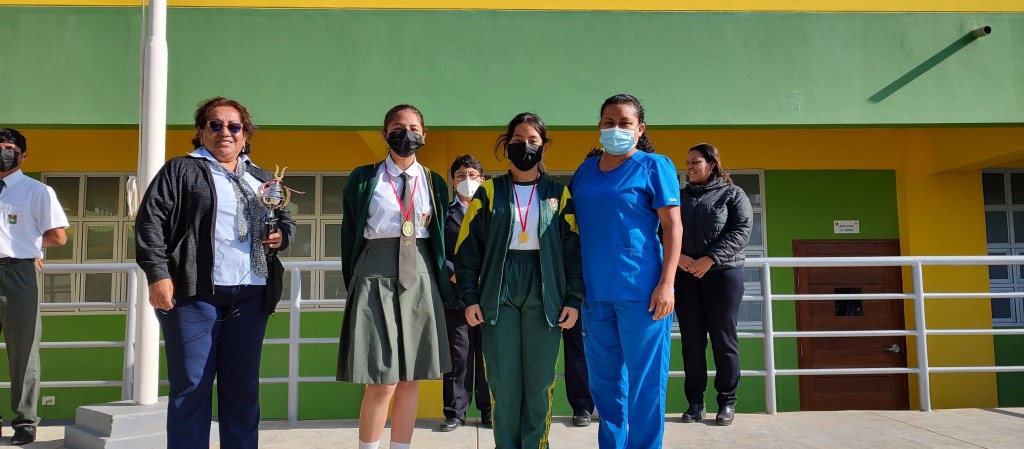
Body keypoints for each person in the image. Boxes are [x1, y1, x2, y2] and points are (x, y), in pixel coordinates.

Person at [135, 97, 295, 449]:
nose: (225, 132)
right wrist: (157, 274)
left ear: (245, 134)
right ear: (201, 131)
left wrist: (282, 235)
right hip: (194, 294)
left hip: (251, 292)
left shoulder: (261, 177)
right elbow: (150, 222)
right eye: (216, 125)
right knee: (192, 385)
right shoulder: (181, 170)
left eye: (234, 126)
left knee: (242, 388)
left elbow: (285, 218)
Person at [456, 112, 583, 449]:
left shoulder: (559, 194)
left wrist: (573, 298)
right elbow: (467, 249)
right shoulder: (488, 192)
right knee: (503, 382)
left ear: (543, 146)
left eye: (532, 141)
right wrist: (470, 296)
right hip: (499, 289)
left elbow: (573, 251)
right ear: (506, 145)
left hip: (545, 287)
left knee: (539, 381)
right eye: (517, 140)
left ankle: (536, 445)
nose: (524, 146)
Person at [569, 94, 682, 449]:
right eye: (609, 122)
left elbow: (673, 227)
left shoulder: (654, 166)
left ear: (640, 129)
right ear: (599, 126)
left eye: (624, 123)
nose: (615, 128)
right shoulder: (585, 171)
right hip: (595, 292)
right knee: (604, 385)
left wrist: (667, 283)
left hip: (643, 291)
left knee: (645, 384)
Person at [337, 104, 453, 449]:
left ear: (424, 135)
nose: (407, 134)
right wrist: (356, 283)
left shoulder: (433, 182)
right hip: (375, 274)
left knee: (410, 379)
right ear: (384, 134)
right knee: (381, 380)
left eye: (414, 128)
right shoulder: (364, 178)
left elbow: (439, 236)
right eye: (399, 127)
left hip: (420, 276)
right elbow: (350, 234)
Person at [0, 128, 68, 446]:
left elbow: (58, 236)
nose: (3, 153)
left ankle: (25, 421)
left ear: (23, 155)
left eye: (9, 148)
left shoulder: (36, 191)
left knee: (24, 351)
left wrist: (31, 248)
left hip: (18, 273)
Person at [676, 143, 752, 426]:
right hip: (686, 275)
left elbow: (741, 230)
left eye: (695, 162)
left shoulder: (733, 193)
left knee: (723, 340)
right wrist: (678, 258)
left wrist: (710, 259)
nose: (690, 167)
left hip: (723, 274)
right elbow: (662, 229)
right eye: (687, 163)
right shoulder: (679, 197)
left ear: (711, 164)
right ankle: (695, 403)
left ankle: (727, 402)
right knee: (691, 342)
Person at [439, 155, 492, 432]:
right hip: (456, 296)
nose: (467, 180)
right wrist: (455, 274)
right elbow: (436, 251)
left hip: (487, 295)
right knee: (458, 355)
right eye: (461, 175)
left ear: (482, 180)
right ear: (453, 181)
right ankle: (455, 412)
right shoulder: (443, 215)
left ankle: (489, 409)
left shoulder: (493, 211)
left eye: (472, 175)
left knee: (487, 355)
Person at [563, 149, 602, 428]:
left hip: (609, 283)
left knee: (612, 346)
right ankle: (582, 406)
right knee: (576, 345)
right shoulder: (574, 195)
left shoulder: (617, 198)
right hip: (576, 283)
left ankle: (613, 405)